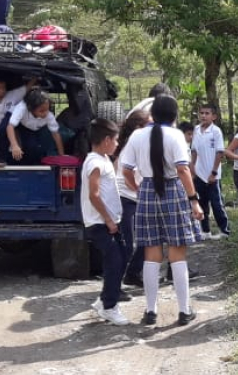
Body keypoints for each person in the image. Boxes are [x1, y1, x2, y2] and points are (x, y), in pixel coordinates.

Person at [130, 96, 204, 327]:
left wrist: (140, 189)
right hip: (173, 190)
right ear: (174, 116)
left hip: (147, 190)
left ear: (153, 114)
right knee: (177, 253)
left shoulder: (137, 135)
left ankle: (150, 311)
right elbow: (182, 169)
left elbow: (126, 169)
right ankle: (184, 311)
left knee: (151, 254)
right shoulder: (176, 135)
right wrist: (194, 199)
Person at [81, 119, 130, 326]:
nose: (117, 144)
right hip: (99, 223)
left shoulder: (104, 159)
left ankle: (104, 301)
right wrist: (108, 219)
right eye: (116, 140)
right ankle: (110, 306)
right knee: (114, 261)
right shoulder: (94, 163)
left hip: (110, 220)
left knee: (122, 256)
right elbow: (94, 195)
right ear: (107, 139)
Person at [117, 107, 149, 286]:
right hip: (126, 197)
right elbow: (127, 172)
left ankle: (132, 273)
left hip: (135, 197)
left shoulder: (135, 143)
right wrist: (138, 189)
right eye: (148, 125)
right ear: (138, 127)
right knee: (127, 244)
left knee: (146, 239)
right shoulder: (133, 144)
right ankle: (114, 285)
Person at [190, 103, 230, 240]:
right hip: (199, 174)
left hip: (212, 174)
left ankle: (225, 230)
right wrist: (192, 169)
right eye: (201, 113)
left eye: (207, 113)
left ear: (214, 116)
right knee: (202, 203)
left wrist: (213, 172)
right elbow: (194, 151)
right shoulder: (195, 130)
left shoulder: (216, 131)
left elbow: (220, 152)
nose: (203, 116)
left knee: (216, 203)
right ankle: (205, 231)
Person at [0, 88, 65, 165]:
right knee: (1, 130)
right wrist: (14, 146)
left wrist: (62, 155)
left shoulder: (49, 116)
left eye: (47, 109)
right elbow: (10, 126)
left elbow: (56, 134)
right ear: (31, 109)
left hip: (29, 127)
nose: (45, 113)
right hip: (15, 120)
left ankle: (27, 164)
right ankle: (0, 158)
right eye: (41, 111)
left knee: (32, 147)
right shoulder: (22, 108)